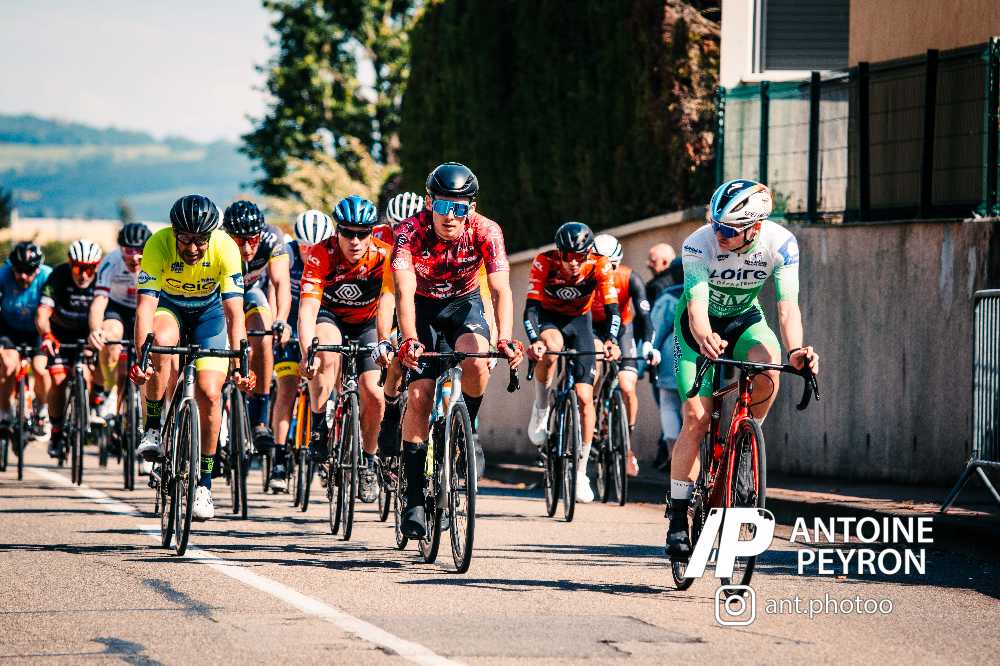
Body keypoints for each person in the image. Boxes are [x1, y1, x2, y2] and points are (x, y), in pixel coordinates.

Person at [665, 179, 819, 560]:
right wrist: (705, 337)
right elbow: (696, 306)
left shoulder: (781, 244)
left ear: (755, 227)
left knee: (770, 367)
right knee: (696, 418)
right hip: (696, 327)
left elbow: (787, 307)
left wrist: (797, 350)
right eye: (715, 224)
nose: (719, 234)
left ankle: (746, 444)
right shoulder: (698, 243)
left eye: (729, 230)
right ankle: (678, 516)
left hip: (745, 319)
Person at [392, 162, 523, 538]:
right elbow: (403, 290)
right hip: (422, 308)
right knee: (419, 395)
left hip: (464, 305)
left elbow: (500, 289)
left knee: (478, 363)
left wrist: (505, 338)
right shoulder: (409, 231)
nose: (450, 216)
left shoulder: (487, 230)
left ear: (472, 208)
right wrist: (409, 339)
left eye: (459, 207)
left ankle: (469, 430)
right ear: (428, 203)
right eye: (442, 205)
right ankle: (414, 498)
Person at [131, 194, 253, 522]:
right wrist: (142, 360)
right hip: (169, 308)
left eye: (201, 240)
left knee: (210, 393)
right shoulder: (157, 245)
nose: (194, 248)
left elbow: (234, 313)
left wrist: (241, 363)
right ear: (174, 233)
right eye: (186, 239)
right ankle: (153, 427)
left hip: (210, 315)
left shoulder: (225, 248)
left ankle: (204, 484)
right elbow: (144, 308)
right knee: (160, 343)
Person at [298, 195, 394, 504]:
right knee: (325, 355)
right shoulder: (321, 253)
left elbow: (389, 305)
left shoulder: (384, 255)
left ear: (372, 232)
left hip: (368, 322)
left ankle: (369, 461)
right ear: (337, 231)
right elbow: (308, 310)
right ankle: (318, 425)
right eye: (348, 233)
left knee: (374, 393)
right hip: (331, 317)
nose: (355, 241)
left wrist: (385, 341)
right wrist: (307, 352)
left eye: (362, 233)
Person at [524, 222, 620, 503]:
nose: (574, 262)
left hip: (581, 322)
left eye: (580, 256)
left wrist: (611, 340)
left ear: (588, 253)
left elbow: (612, 309)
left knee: (585, 396)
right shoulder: (544, 262)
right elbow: (530, 309)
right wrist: (535, 340)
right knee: (551, 349)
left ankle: (580, 472)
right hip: (550, 320)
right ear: (559, 252)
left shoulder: (599, 264)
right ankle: (541, 408)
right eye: (568, 256)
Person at [267, 209, 335, 491]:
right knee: (286, 388)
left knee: (333, 380)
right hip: (291, 323)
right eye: (305, 247)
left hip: (320, 323)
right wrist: (278, 322)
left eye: (316, 246)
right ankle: (280, 459)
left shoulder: (334, 255)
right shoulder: (286, 253)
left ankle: (333, 445)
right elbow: (276, 289)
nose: (311, 252)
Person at [221, 201, 292, 455]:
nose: (247, 248)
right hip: (218, 296)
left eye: (252, 239)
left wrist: (281, 319)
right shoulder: (217, 241)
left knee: (264, 336)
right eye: (240, 241)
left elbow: (281, 282)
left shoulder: (272, 238)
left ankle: (260, 419)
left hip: (250, 293)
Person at [591, 233, 659, 477]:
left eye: (611, 265)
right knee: (596, 363)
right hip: (592, 327)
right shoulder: (585, 279)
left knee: (627, 387)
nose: (605, 271)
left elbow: (645, 317)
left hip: (622, 329)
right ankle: (591, 413)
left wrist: (648, 345)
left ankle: (626, 445)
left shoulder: (629, 278)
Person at [87, 223, 153, 465]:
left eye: (140, 251)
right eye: (128, 250)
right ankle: (109, 391)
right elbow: (99, 302)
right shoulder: (111, 262)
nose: (134, 257)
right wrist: (96, 330)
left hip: (146, 308)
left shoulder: (156, 260)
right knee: (111, 336)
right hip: (117, 309)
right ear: (120, 249)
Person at [37, 240, 103, 459]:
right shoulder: (58, 275)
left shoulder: (102, 278)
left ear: (96, 266)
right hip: (60, 334)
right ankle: (56, 431)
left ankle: (93, 407)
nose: (83, 275)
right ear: (70, 263)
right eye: (77, 268)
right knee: (58, 380)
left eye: (89, 269)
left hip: (88, 333)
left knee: (92, 371)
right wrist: (47, 335)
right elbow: (43, 312)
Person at [0, 242, 52, 439]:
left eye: (28, 272)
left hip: (37, 330)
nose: (23, 276)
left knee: (41, 368)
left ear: (37, 269)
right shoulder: (3, 275)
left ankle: (43, 411)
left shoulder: (47, 276)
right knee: (8, 365)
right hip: (9, 329)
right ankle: (5, 413)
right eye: (18, 271)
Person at [650, 256, 684, 471]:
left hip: (671, 355)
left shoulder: (668, 298)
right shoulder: (710, 293)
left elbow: (657, 330)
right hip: (704, 355)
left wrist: (645, 362)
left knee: (669, 404)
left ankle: (674, 453)